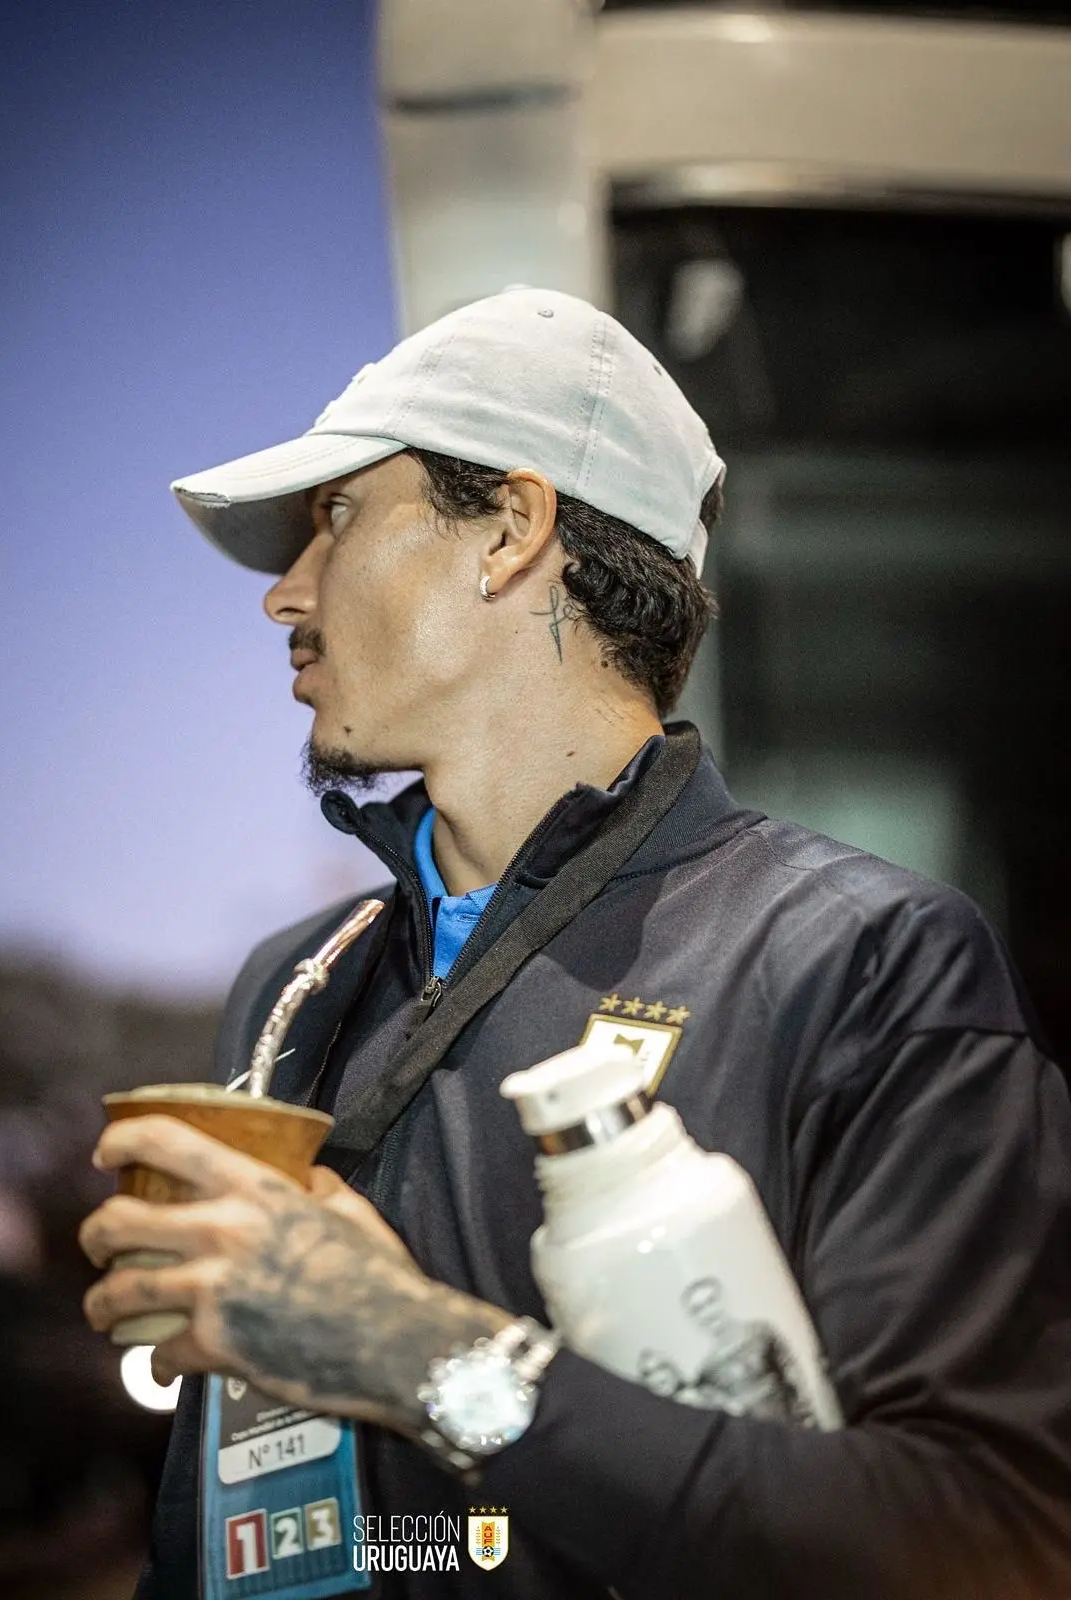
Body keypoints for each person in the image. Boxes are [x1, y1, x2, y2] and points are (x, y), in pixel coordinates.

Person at [79, 287, 1071, 1598]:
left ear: (512, 529)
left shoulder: (860, 961)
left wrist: (417, 1353)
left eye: (337, 517)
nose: (286, 595)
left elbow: (988, 1536)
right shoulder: (294, 991)